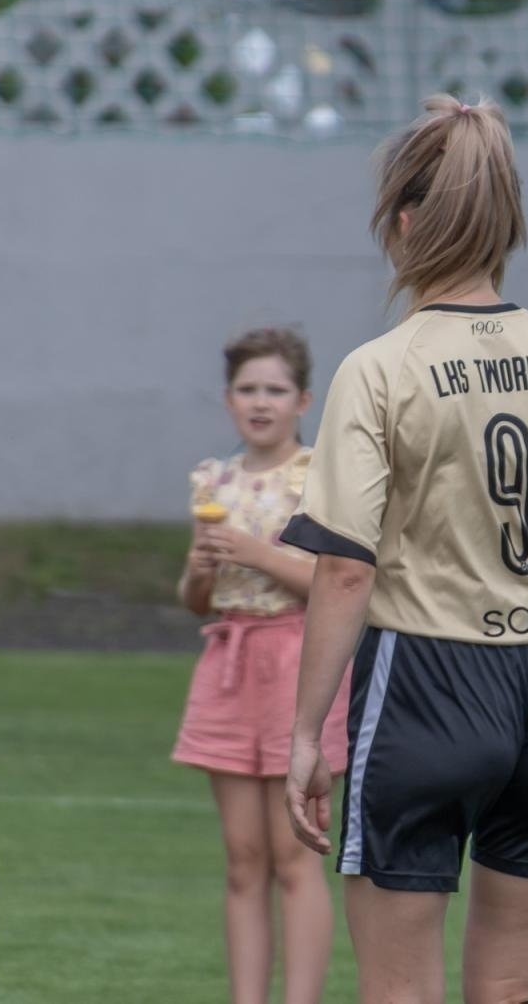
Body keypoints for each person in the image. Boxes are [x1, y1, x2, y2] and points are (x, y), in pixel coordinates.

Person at [281, 93, 528, 1004]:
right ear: (506, 228)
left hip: (427, 680)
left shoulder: (381, 369)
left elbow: (343, 567)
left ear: (405, 224)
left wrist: (305, 732)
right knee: (517, 989)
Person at [173, 326, 350, 1004]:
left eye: (275, 389)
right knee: (244, 861)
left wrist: (255, 551)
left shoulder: (317, 475)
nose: (261, 402)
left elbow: (333, 582)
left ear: (303, 399)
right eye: (248, 389)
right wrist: (199, 568)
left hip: (302, 662)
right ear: (228, 400)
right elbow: (196, 601)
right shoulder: (212, 481)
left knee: (295, 857)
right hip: (228, 663)